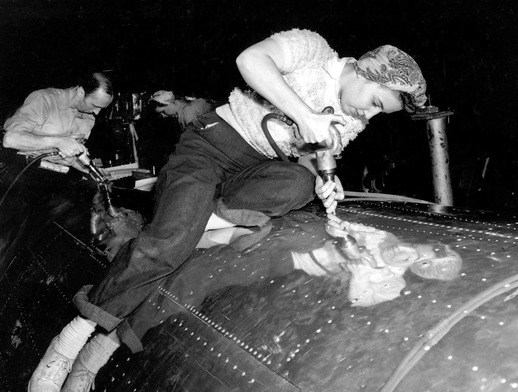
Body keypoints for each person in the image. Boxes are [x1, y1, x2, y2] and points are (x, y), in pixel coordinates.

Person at [28, 29, 427, 392]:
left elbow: (309, 161)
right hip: (210, 148)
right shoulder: (313, 49)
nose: (368, 116)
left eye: (379, 114)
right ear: (363, 72)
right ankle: (70, 342)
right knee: (168, 243)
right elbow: (250, 60)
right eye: (375, 103)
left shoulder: (352, 119)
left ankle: (198, 225)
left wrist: (326, 177)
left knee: (298, 184)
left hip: (257, 169)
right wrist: (304, 115)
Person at [0, 72, 114, 267]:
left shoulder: (88, 118)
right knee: (7, 241)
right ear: (80, 91)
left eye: (101, 108)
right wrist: (57, 142)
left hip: (54, 183)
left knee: (57, 236)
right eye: (95, 105)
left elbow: (72, 157)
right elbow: (10, 139)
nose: (96, 113)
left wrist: (92, 171)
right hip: (21, 178)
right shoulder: (45, 99)